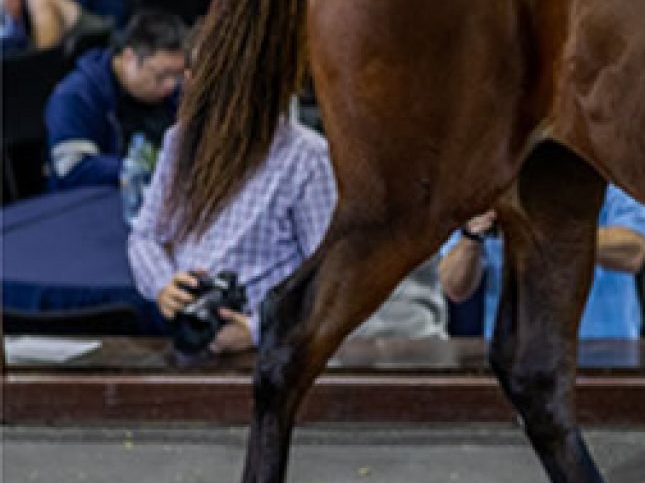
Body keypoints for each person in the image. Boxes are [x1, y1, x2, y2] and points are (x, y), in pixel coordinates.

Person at [130, 111, 447, 352]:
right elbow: (144, 236)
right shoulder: (180, 140)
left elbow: (326, 281)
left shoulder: (307, 157)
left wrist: (257, 331)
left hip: (273, 351)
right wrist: (162, 285)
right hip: (188, 337)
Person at [438, 187, 645, 342]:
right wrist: (471, 238)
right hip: (516, 357)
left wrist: (541, 235)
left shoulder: (607, 168)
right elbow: (454, 287)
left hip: (604, 348)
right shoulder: (491, 179)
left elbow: (633, 251)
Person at [44, 9, 187, 190]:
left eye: (177, 75)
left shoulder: (173, 93)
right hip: (92, 199)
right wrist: (145, 167)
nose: (171, 85)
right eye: (162, 75)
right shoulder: (75, 95)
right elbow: (72, 167)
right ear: (129, 58)